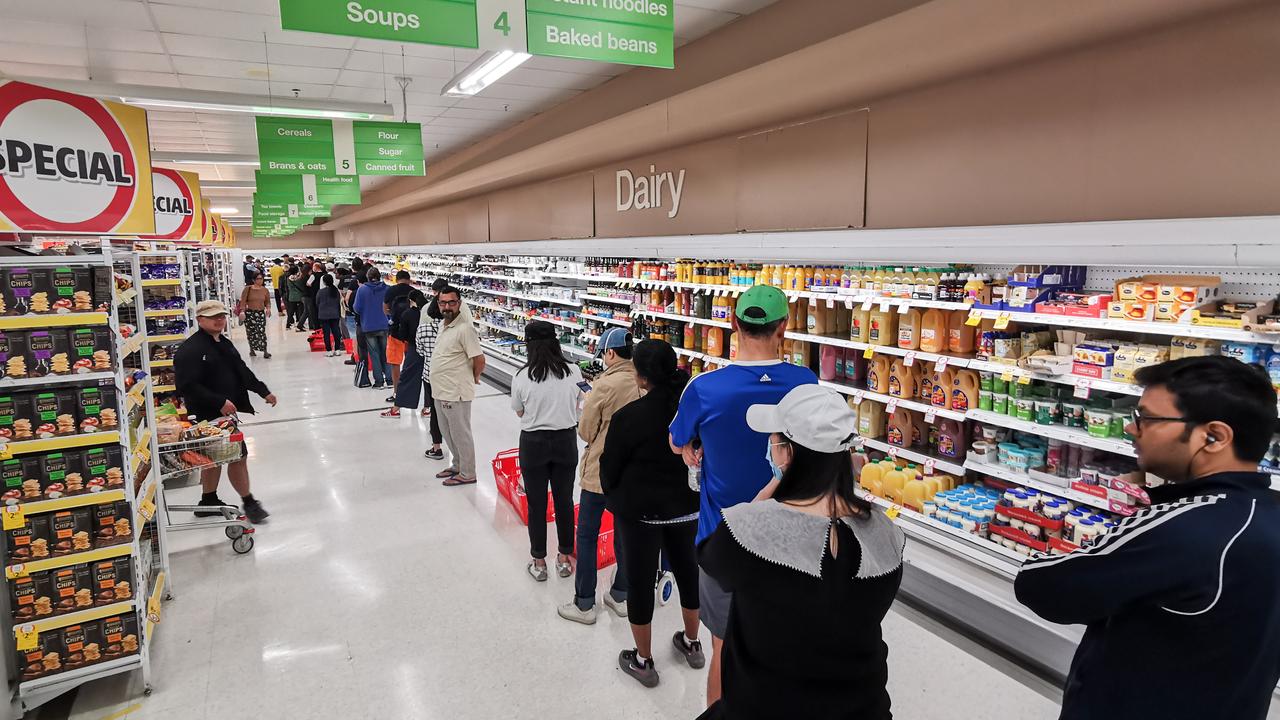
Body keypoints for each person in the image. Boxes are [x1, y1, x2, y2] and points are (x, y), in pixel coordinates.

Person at [1015, 356, 1280, 720]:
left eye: (1146, 418)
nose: (1131, 429)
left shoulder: (1184, 526)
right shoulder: (1265, 514)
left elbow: (1039, 584)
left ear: (1214, 437)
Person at [696, 384, 904, 719]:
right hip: (864, 707)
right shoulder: (886, 535)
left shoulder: (751, 530)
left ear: (787, 453)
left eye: (775, 440)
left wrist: (768, 492)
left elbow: (711, 560)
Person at [669, 284, 818, 705]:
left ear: (734, 325)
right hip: (791, 541)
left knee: (724, 647)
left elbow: (677, 442)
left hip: (724, 541)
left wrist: (692, 449)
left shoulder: (704, 387)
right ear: (784, 327)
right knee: (784, 647)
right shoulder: (806, 382)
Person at [600, 339, 703, 688]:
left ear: (641, 377)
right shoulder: (690, 414)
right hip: (686, 509)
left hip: (641, 514)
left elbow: (609, 467)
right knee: (689, 573)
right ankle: (692, 642)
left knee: (640, 582)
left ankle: (643, 661)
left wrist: (613, 492)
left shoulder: (629, 417)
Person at [558, 327, 638, 625]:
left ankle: (584, 604)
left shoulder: (605, 386)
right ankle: (620, 594)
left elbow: (585, 430)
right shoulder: (642, 380)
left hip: (601, 472)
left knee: (588, 534)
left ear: (610, 353)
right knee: (625, 534)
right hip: (631, 473)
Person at [173, 300, 277, 525]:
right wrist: (218, 401)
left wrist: (262, 391)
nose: (219, 320)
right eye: (213, 317)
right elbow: (186, 385)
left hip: (223, 416)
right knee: (238, 457)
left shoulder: (224, 343)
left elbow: (241, 370)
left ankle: (208, 501)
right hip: (206, 415)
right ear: (200, 320)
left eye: (221, 316)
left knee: (213, 459)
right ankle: (249, 502)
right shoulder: (190, 350)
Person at [510, 320, 583, 581]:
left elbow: (519, 411)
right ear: (555, 342)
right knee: (564, 501)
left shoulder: (521, 376)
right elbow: (580, 404)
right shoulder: (574, 372)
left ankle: (539, 562)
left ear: (529, 345)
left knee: (537, 503)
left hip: (533, 444)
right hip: (565, 441)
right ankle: (564, 558)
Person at [431, 286, 485, 486]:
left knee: (460, 432)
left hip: (456, 391)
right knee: (447, 431)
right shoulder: (443, 325)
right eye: (443, 303)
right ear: (438, 305)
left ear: (459, 304)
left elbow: (479, 359)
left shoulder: (465, 329)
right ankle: (457, 464)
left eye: (451, 302)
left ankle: (468, 472)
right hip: (440, 389)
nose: (447, 306)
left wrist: (473, 377)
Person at [382, 290, 427, 418]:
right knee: (429, 380)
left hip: (414, 348)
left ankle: (396, 409)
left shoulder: (408, 314)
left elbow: (402, 335)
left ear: (410, 300)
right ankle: (428, 408)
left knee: (407, 377)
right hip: (430, 350)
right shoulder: (428, 312)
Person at [415, 293, 445, 459]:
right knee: (451, 411)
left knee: (435, 410)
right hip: (449, 377)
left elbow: (420, 351)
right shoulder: (452, 329)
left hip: (430, 374)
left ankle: (436, 447)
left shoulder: (422, 329)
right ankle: (456, 449)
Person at [353, 267, 392, 389]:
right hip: (384, 325)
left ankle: (379, 381)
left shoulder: (362, 290)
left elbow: (356, 308)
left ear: (368, 277)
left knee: (374, 354)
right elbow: (391, 306)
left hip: (368, 326)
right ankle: (390, 380)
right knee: (386, 352)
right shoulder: (387, 289)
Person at [383, 270, 416, 402]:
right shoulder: (413, 291)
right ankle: (412, 391)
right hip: (411, 333)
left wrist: (392, 316)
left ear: (397, 279)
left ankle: (397, 393)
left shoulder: (390, 291)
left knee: (395, 363)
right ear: (408, 279)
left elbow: (384, 309)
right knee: (411, 364)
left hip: (395, 332)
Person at [237, 273, 272, 359]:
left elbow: (267, 301)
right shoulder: (248, 289)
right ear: (254, 280)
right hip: (250, 313)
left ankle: (265, 350)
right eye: (258, 279)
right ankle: (252, 349)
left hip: (260, 313)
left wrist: (268, 309)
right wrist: (242, 311)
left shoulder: (265, 290)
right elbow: (243, 301)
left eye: (261, 279)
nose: (260, 280)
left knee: (261, 331)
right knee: (251, 332)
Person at [337, 267, 360, 366]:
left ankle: (356, 357)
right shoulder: (362, 279)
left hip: (350, 312)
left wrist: (347, 307)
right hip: (362, 312)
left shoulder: (346, 281)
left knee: (354, 336)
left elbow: (344, 295)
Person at [316, 274, 344, 357]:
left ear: (324, 282)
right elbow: (338, 302)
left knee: (326, 333)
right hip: (335, 314)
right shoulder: (336, 291)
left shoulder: (321, 292)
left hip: (324, 315)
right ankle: (337, 349)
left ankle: (329, 350)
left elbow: (317, 302)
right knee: (336, 332)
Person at [302, 262, 324, 334]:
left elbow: (308, 283)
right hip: (322, 295)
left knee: (314, 312)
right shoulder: (324, 274)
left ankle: (317, 328)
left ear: (316, 267)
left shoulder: (313, 275)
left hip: (314, 295)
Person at [286, 265, 307, 331]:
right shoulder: (298, 279)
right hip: (299, 296)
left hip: (291, 296)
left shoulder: (288, 278)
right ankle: (300, 324)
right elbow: (301, 286)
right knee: (300, 311)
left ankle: (288, 324)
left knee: (291, 311)